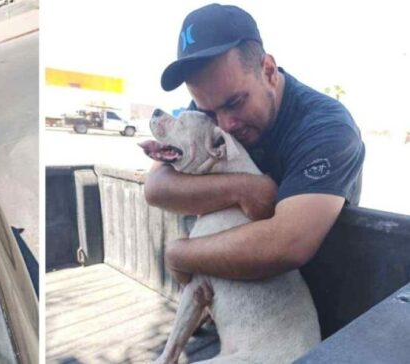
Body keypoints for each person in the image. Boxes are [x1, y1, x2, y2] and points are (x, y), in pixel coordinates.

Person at [145, 4, 365, 284]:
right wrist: (244, 189)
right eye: (209, 113)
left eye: (235, 103)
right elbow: (156, 186)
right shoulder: (213, 104)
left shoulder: (327, 127)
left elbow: (288, 243)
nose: (223, 125)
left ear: (269, 71)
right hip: (229, 290)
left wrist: (179, 255)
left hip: (319, 302)